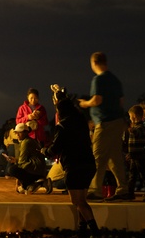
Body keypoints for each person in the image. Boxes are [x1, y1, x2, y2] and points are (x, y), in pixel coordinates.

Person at [44, 84, 98, 237]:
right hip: (88, 164)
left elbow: (55, 148)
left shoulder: (63, 126)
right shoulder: (80, 121)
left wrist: (44, 151)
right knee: (82, 201)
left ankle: (95, 232)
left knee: (78, 202)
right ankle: (82, 231)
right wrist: (59, 94)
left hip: (74, 166)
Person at [78, 52, 127, 200]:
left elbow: (97, 100)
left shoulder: (98, 80)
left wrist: (84, 104)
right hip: (118, 121)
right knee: (114, 157)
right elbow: (121, 102)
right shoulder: (115, 80)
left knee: (98, 156)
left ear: (93, 62)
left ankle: (95, 190)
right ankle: (123, 189)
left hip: (105, 122)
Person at [122, 104, 145, 201]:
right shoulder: (135, 127)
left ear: (134, 116)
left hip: (140, 155)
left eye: (130, 116)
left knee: (143, 174)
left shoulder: (140, 127)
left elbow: (138, 133)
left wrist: (130, 130)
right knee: (132, 175)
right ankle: (130, 193)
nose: (130, 118)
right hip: (134, 155)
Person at [7, 123, 48, 193]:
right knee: (17, 167)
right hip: (38, 167)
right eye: (16, 133)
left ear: (26, 132)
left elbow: (22, 161)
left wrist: (18, 181)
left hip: (35, 168)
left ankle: (30, 183)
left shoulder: (26, 142)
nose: (17, 135)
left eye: (19, 133)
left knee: (12, 169)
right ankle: (32, 183)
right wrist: (16, 160)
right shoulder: (28, 140)